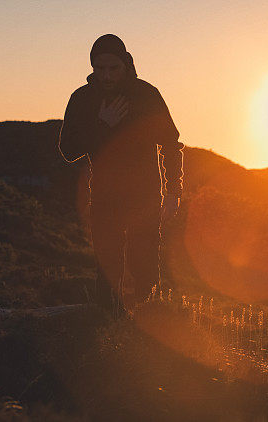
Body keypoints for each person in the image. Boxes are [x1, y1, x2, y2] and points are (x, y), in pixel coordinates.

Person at [57, 34, 184, 315]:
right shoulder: (82, 99)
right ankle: (107, 332)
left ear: (125, 64)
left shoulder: (146, 95)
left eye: (113, 68)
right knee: (107, 270)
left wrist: (174, 192)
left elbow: (171, 144)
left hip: (145, 196)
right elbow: (68, 150)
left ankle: (146, 330)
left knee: (145, 266)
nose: (106, 75)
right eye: (100, 69)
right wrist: (102, 125)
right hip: (104, 196)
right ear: (92, 67)